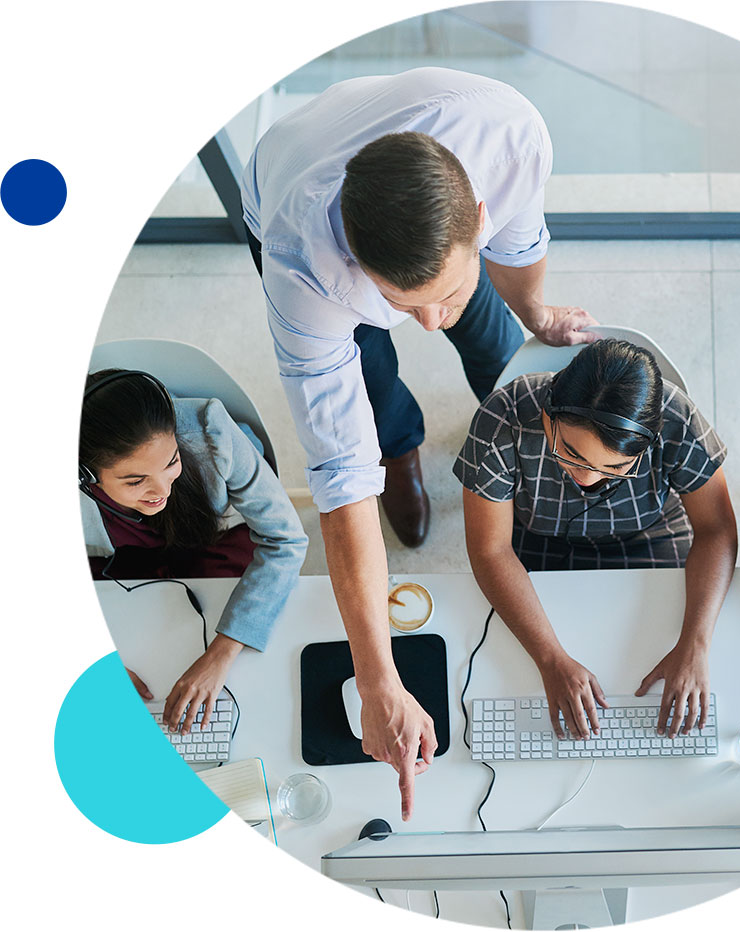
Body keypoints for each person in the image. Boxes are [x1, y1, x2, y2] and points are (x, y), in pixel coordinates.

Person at [240, 68, 598, 819]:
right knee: (370, 377)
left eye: (443, 292)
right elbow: (341, 481)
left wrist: (532, 311)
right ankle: (403, 448)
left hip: (429, 164)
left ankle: (505, 417)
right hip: (286, 175)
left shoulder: (508, 134)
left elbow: (521, 239)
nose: (428, 323)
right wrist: (379, 680)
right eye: (407, 304)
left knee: (492, 334)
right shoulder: (302, 268)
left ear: (476, 210)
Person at [454, 339, 738, 740]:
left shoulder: (677, 418)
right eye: (572, 454)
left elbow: (717, 530)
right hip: (539, 537)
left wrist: (696, 643)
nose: (588, 478)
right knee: (514, 671)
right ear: (547, 415)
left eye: (616, 467)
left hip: (648, 534)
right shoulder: (502, 418)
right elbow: (490, 548)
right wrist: (551, 660)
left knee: (652, 647)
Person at [80, 369, 309, 733]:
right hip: (116, 557)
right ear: (87, 476)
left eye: (171, 462)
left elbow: (287, 540)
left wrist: (220, 654)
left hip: (211, 539)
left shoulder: (209, 429)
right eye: (135, 480)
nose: (161, 491)